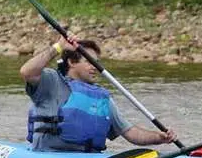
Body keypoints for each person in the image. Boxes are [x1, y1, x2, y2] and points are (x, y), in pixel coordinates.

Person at [19, 35, 177, 152]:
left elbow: (130, 133)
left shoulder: (101, 99)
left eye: (97, 62)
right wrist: (58, 47)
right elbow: (27, 71)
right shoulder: (52, 82)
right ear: (72, 62)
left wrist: (159, 138)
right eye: (89, 61)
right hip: (49, 156)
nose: (95, 67)